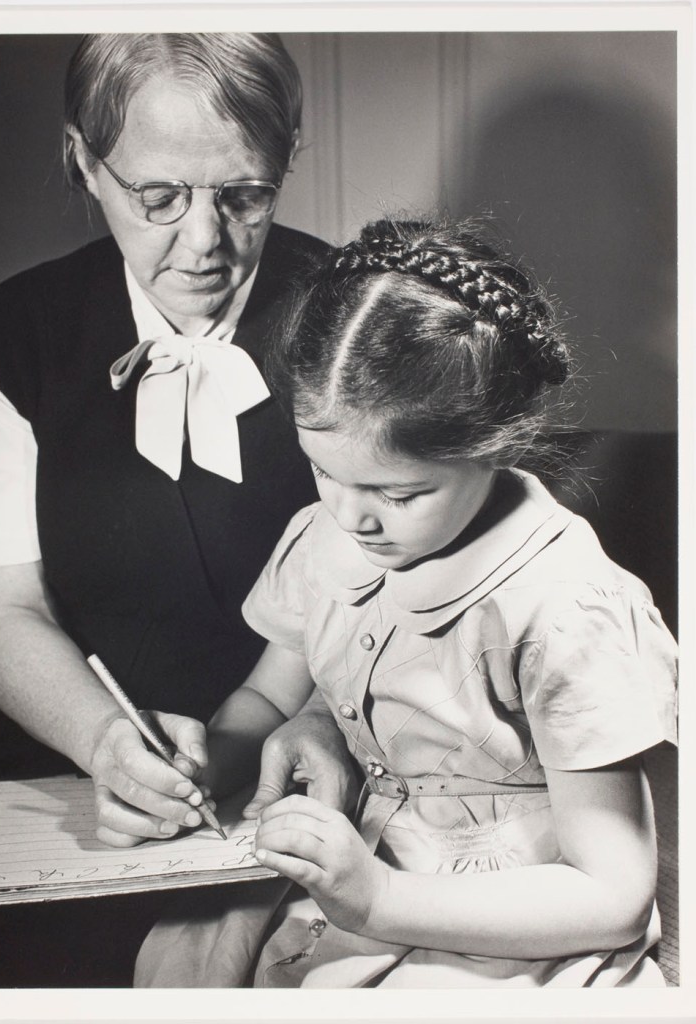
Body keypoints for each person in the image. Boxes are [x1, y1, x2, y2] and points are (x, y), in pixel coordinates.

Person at [134, 217, 678, 987]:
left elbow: (612, 894)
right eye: (324, 472)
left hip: (511, 919)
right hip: (358, 853)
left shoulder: (565, 610)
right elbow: (265, 695)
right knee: (179, 960)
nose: (351, 517)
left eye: (398, 493)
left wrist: (384, 897)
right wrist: (190, 767)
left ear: (496, 444)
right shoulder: (325, 537)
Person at [0, 32, 358, 988]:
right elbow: (1, 611)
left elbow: (406, 580)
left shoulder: (352, 314)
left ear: (288, 152)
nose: (204, 244)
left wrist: (329, 721)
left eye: (244, 196)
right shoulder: (15, 336)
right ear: (87, 160)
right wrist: (104, 741)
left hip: (321, 765)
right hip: (82, 791)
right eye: (156, 198)